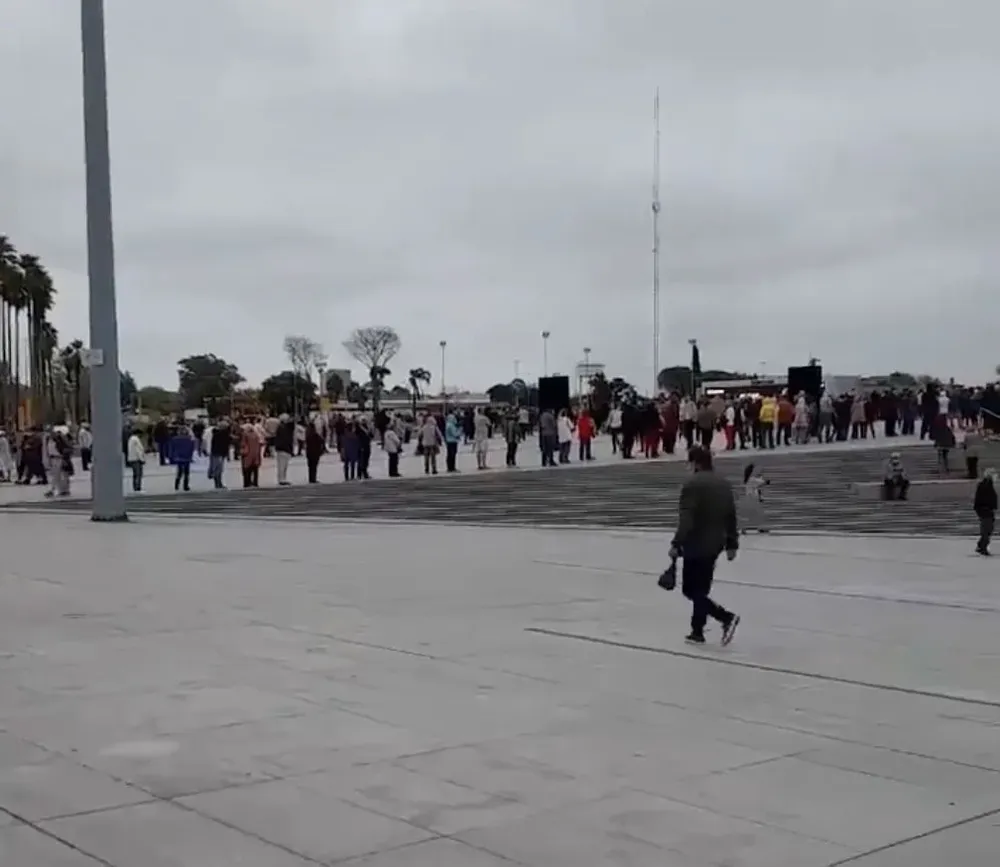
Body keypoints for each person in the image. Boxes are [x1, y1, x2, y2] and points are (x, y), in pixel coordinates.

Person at [669, 446, 741, 646]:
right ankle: (697, 631)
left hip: (696, 543)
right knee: (701, 589)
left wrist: (677, 543)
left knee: (691, 590)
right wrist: (732, 543)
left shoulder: (692, 485)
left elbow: (687, 518)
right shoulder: (723, 484)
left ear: (695, 462)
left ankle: (726, 617)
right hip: (715, 544)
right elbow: (731, 515)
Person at [740, 463, 769, 534]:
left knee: (749, 514)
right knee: (759, 514)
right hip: (753, 498)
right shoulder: (752, 479)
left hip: (748, 498)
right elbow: (766, 482)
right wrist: (762, 479)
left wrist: (760, 479)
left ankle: (743, 529)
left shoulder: (747, 479)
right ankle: (760, 528)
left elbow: (757, 485)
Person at [974, 468, 997, 556]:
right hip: (984, 510)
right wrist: (985, 507)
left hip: (987, 510)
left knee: (989, 529)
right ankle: (982, 547)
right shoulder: (985, 485)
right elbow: (982, 498)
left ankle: (981, 545)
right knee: (987, 529)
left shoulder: (988, 484)